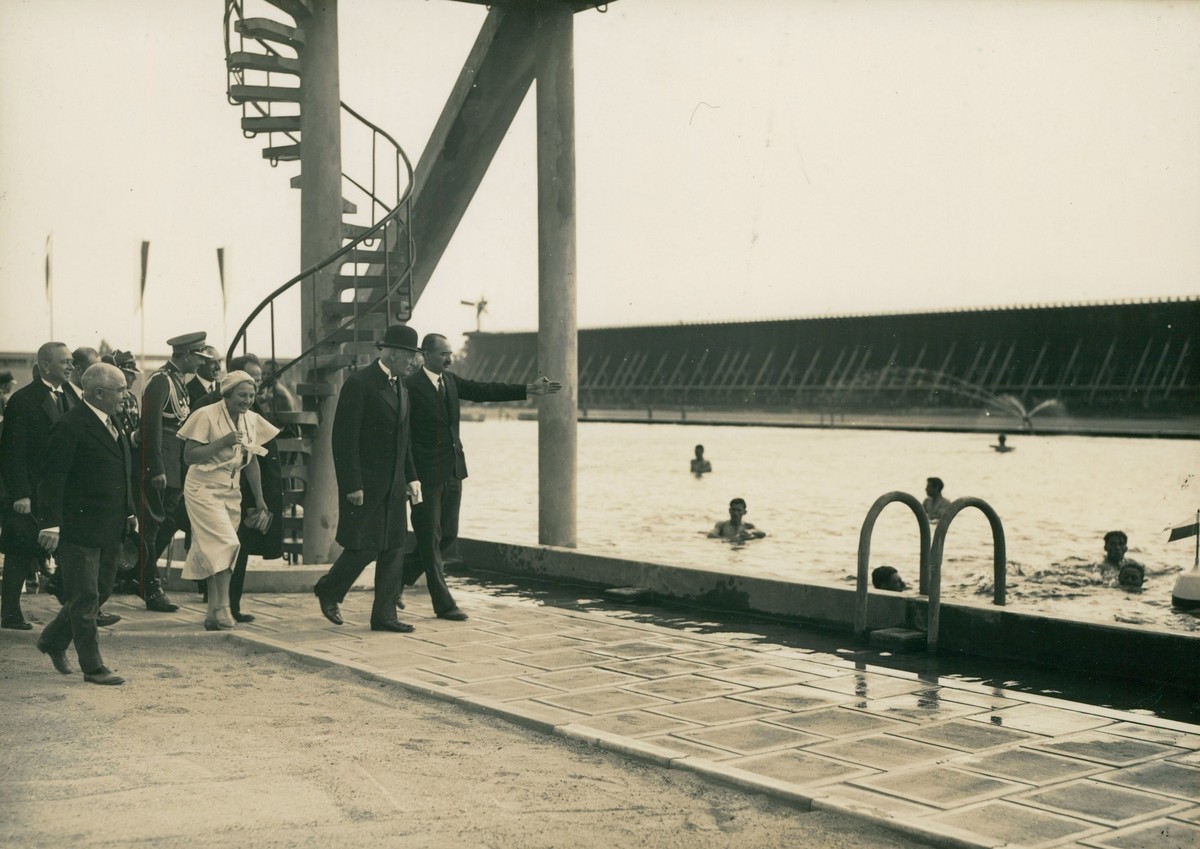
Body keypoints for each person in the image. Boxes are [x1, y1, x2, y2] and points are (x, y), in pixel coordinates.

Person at [402, 333, 562, 620]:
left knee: (447, 535)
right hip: (425, 478)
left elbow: (484, 390)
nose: (449, 359)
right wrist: (409, 477)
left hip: (453, 472)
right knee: (429, 538)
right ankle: (444, 603)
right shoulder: (409, 387)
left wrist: (527, 389)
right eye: (443, 354)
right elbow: (402, 438)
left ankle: (394, 581)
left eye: (450, 353)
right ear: (425, 354)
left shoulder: (450, 382)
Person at [314, 325, 423, 632]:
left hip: (395, 484)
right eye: (409, 356)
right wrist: (352, 485)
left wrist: (411, 478)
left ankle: (385, 616)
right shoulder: (360, 383)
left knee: (394, 547)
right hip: (366, 484)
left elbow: (405, 440)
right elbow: (343, 440)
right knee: (364, 547)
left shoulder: (402, 386)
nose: (412, 362)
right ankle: (329, 589)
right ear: (391, 353)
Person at [34, 363, 133, 685]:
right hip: (78, 528)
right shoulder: (70, 424)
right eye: (120, 389)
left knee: (99, 591)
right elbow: (52, 478)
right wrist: (50, 524)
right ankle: (93, 667)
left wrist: (129, 511)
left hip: (109, 524)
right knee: (86, 595)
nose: (125, 394)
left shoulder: (110, 419)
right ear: (99, 393)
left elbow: (121, 471)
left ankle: (51, 641)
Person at [177, 370, 277, 630]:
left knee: (215, 549)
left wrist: (260, 498)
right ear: (227, 394)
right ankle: (222, 608)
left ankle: (213, 613)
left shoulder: (251, 420)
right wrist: (222, 442)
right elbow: (189, 457)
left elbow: (251, 461)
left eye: (252, 395)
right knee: (227, 544)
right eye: (242, 395)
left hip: (231, 491)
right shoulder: (206, 415)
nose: (247, 401)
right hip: (203, 488)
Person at [0, 342, 76, 629]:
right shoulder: (23, 400)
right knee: (20, 549)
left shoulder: (69, 397)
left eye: (71, 361)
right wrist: (20, 493)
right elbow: (11, 452)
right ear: (45, 366)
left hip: (59, 491)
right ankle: (9, 612)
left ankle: (79, 606)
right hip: (30, 491)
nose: (70, 366)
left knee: (68, 548)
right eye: (64, 361)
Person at [137, 332, 212, 613]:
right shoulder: (161, 381)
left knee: (166, 522)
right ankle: (150, 587)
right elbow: (151, 429)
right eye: (199, 357)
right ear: (187, 355)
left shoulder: (178, 382)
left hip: (175, 468)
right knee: (153, 526)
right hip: (162, 469)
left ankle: (142, 577)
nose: (201, 362)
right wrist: (155, 468)